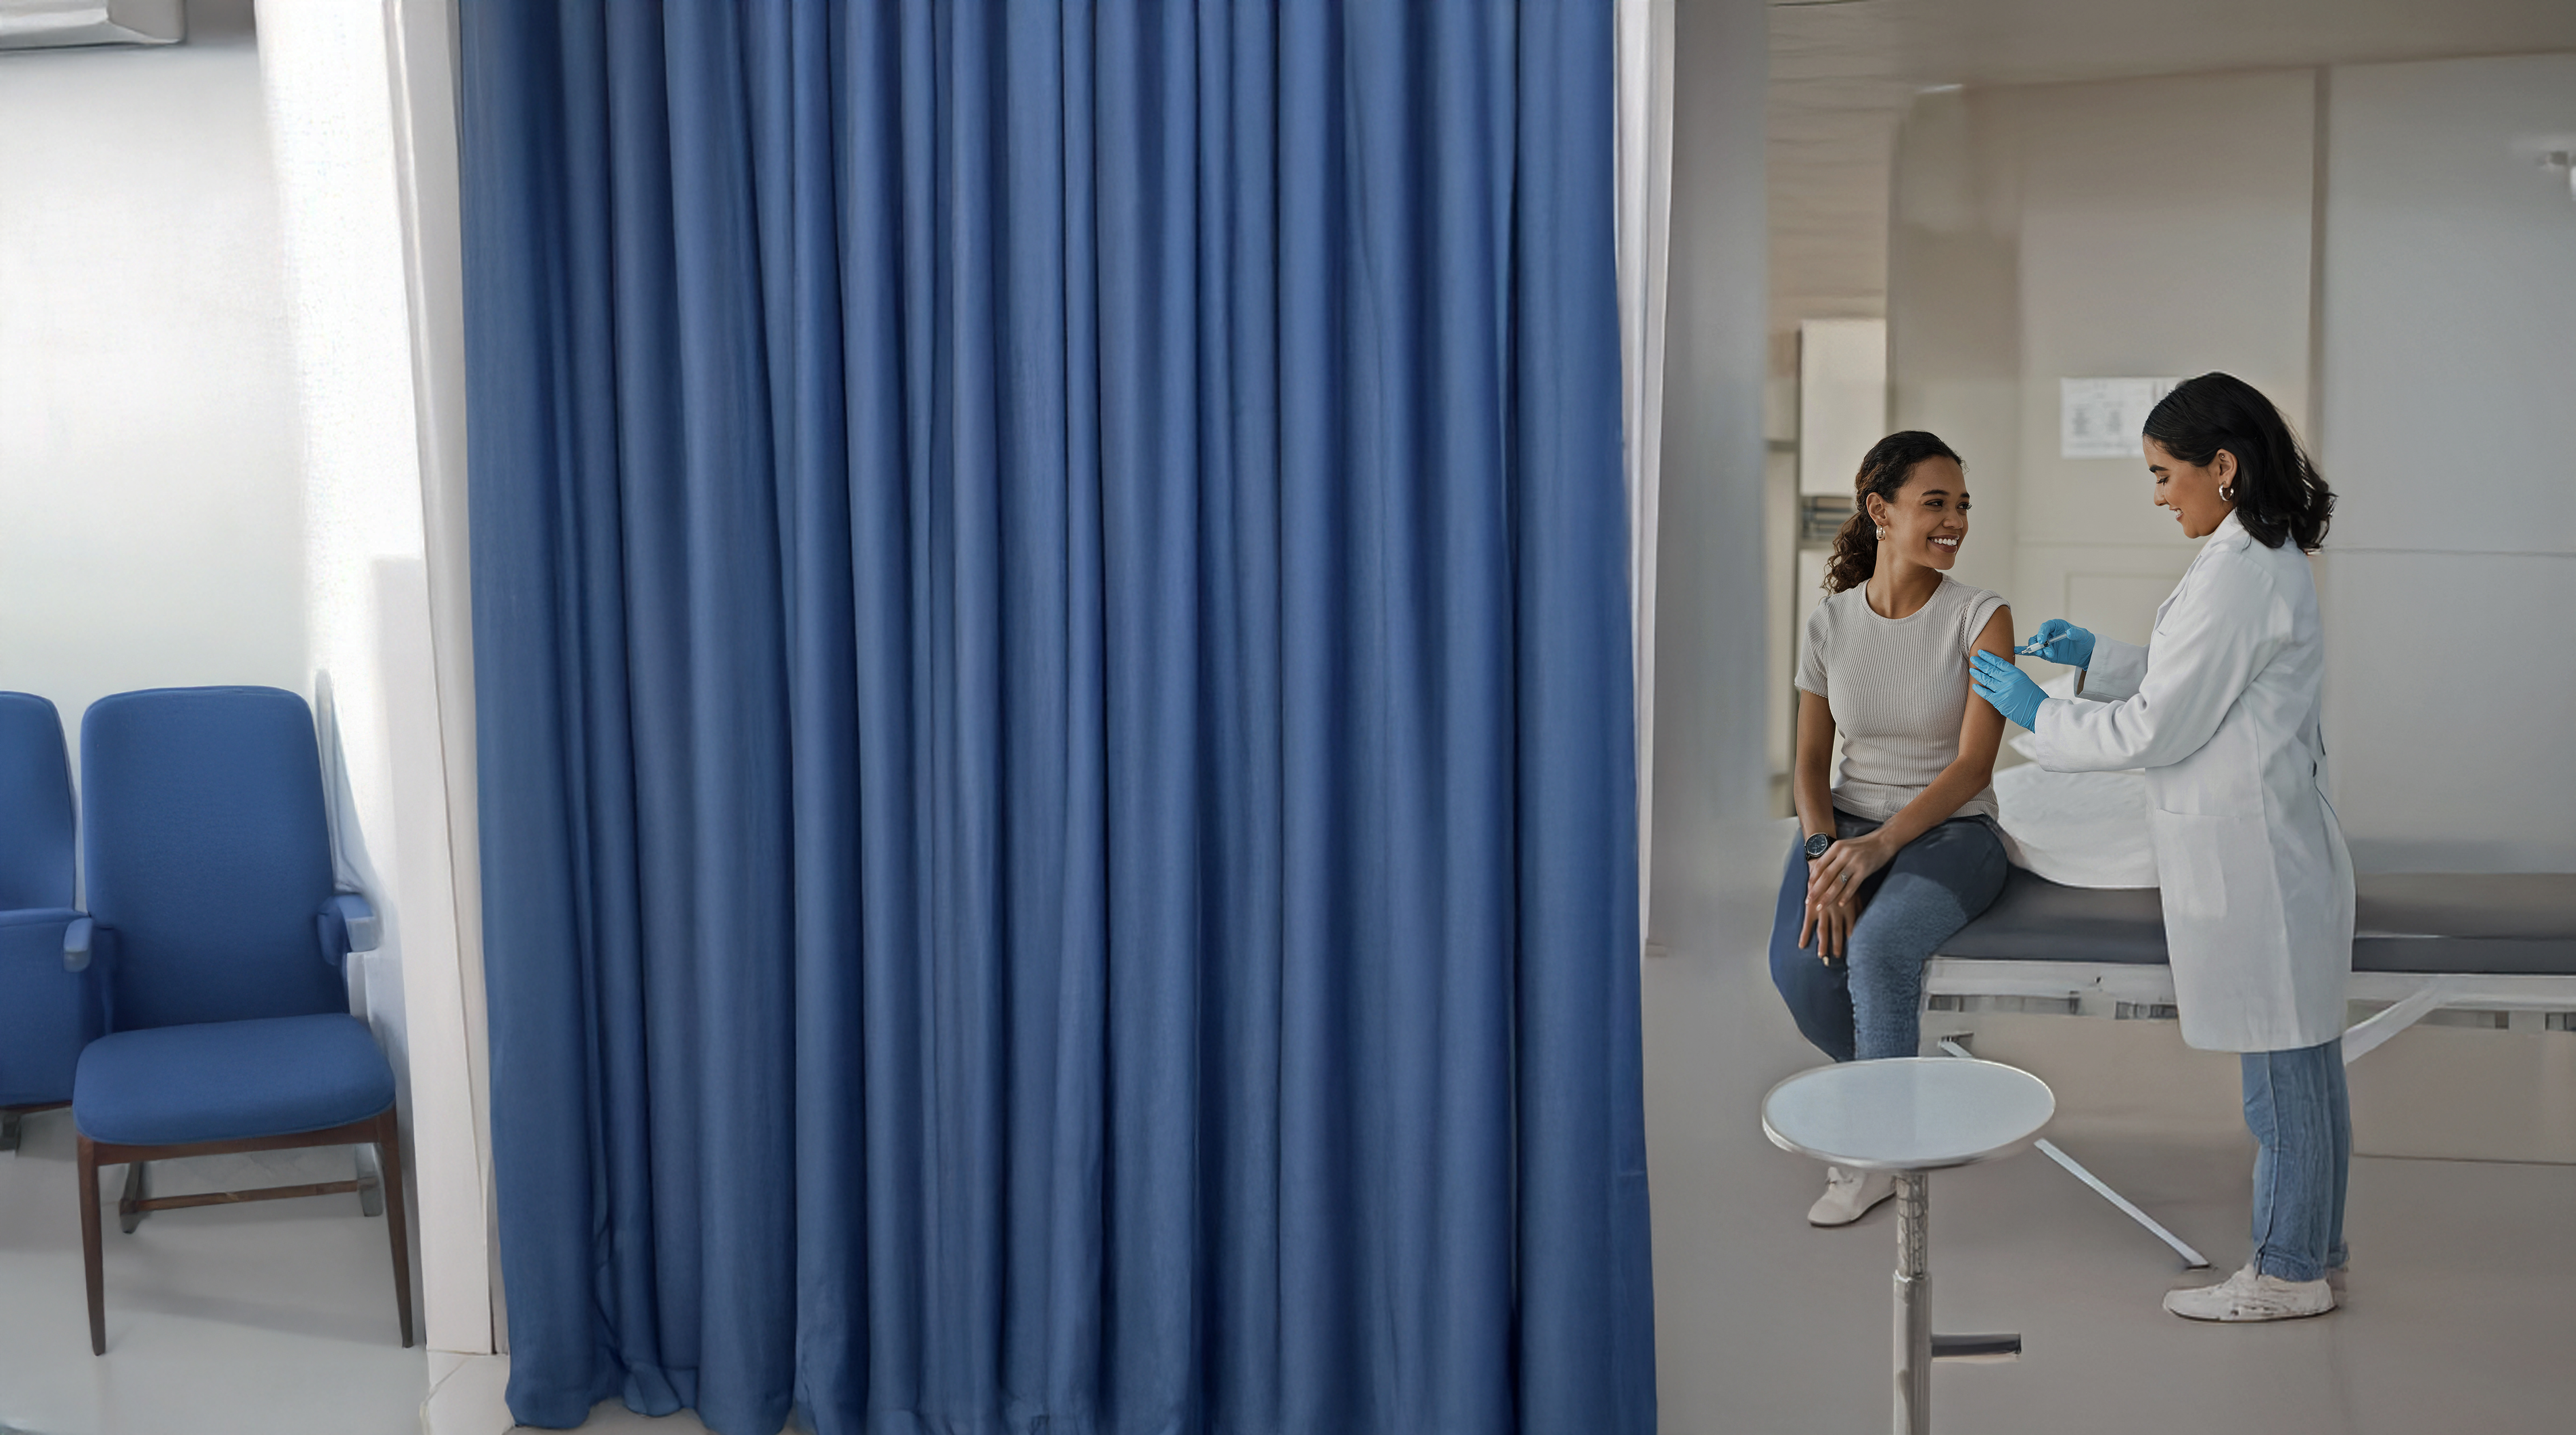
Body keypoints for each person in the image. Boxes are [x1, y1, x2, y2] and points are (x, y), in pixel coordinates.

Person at [1970, 371, 2350, 1322]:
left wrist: (2040, 711)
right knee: (2299, 1067)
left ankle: (2289, 1271)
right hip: (2268, 845)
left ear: (2223, 466)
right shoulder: (2252, 556)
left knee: (2282, 1077)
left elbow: (2157, 731)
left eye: (2163, 473)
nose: (2156, 494)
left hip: (2255, 857)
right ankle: (2313, 1249)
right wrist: (2099, 660)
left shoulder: (2240, 570)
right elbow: (2197, 681)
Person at [1769, 430, 2016, 1226]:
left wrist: (1881, 845)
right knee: (1804, 975)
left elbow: (1974, 766)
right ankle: (1898, 1085)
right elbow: (1809, 764)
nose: (1955, 522)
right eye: (1935, 504)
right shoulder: (1829, 625)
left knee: (1878, 950)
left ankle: (1877, 1154)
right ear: (1881, 510)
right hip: (1845, 822)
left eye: (1963, 506)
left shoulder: (1982, 617)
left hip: (1954, 832)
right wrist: (1822, 850)